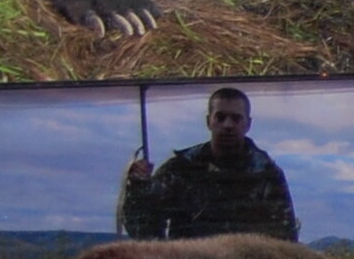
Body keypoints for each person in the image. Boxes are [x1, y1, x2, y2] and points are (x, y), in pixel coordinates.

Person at [117, 87, 299, 240]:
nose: (228, 125)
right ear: (208, 121)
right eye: (220, 117)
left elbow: (284, 240)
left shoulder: (267, 174)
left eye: (236, 118)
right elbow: (144, 232)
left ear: (248, 124)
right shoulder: (180, 169)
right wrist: (138, 189)